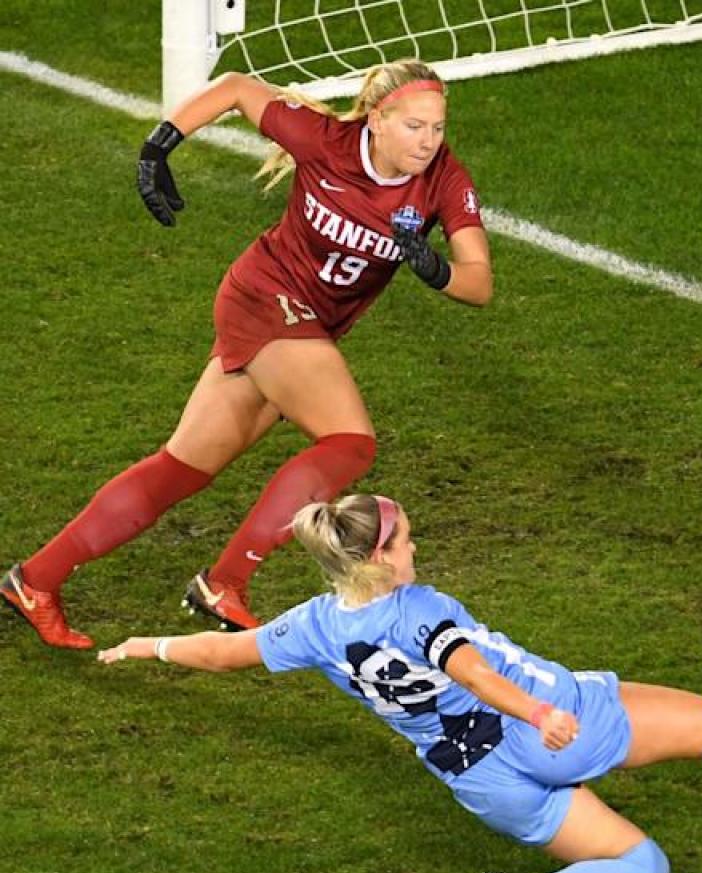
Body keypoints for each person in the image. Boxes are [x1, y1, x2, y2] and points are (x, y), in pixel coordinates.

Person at [97, 494, 702, 873]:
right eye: (406, 536)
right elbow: (468, 669)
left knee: (645, 866)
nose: (415, 543)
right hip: (557, 724)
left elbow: (222, 654)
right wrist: (542, 712)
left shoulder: (309, 627)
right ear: (379, 558)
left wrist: (148, 644)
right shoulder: (419, 608)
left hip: (481, 783)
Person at [2, 59, 490, 649]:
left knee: (180, 468)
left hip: (307, 325)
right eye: (414, 127)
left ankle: (34, 581)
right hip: (266, 299)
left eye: (437, 128)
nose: (428, 142)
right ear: (377, 119)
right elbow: (235, 89)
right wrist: (159, 148)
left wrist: (433, 268)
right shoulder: (325, 140)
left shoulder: (444, 180)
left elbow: (478, 283)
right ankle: (225, 582)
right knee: (350, 441)